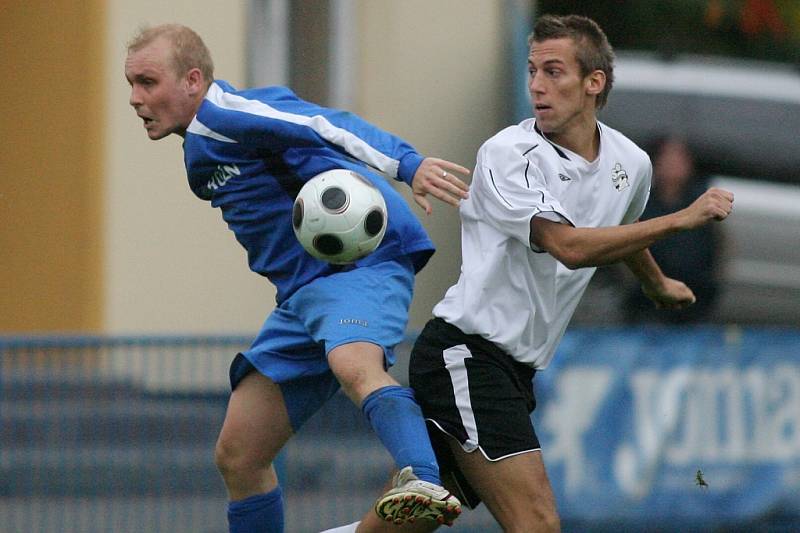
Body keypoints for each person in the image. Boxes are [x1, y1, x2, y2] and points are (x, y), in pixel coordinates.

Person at [332, 14, 734, 533]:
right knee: (538, 523)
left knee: (396, 527)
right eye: (532, 71)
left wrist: (655, 282)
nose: (538, 87)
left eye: (554, 72)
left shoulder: (630, 162)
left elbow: (621, 225)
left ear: (595, 83)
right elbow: (568, 246)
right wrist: (680, 219)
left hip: (512, 370)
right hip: (467, 357)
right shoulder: (509, 154)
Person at [124, 24, 469, 533]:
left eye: (147, 82)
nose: (135, 99)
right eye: (130, 83)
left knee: (354, 363)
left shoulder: (229, 114)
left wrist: (408, 164)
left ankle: (421, 479)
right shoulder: (198, 150)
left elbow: (324, 124)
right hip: (303, 301)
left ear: (193, 80)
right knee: (239, 454)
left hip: (358, 266)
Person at [623, 136, 723, 323]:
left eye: (680, 160)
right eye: (667, 160)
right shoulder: (641, 204)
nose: (674, 166)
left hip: (695, 297)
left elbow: (720, 247)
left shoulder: (702, 202)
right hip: (647, 301)